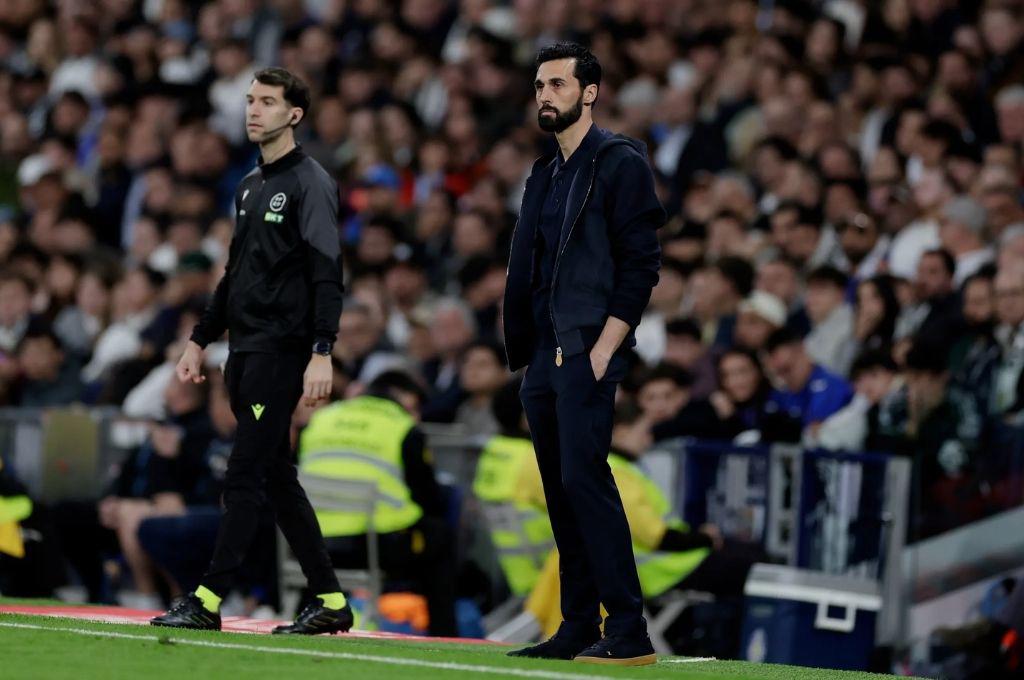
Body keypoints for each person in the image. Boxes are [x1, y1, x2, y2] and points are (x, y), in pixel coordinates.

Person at [151, 68, 350, 634]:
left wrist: (322, 349)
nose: (253, 111)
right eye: (249, 101)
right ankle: (331, 600)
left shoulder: (311, 182)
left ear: (294, 114)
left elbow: (327, 271)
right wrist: (198, 339)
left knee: (243, 475)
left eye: (267, 101)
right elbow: (233, 276)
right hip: (244, 351)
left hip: (281, 352)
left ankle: (208, 597)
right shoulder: (248, 185)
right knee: (278, 480)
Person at [502, 42, 663, 665]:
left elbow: (641, 265)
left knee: (585, 481)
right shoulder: (545, 173)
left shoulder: (618, 162)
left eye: (558, 84)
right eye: (540, 85)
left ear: (589, 92)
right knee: (560, 489)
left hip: (586, 347)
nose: (545, 95)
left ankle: (628, 629)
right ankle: (577, 623)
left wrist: (602, 350)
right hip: (544, 353)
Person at [298, 371, 457, 636]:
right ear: (401, 398)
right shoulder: (402, 427)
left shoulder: (321, 419)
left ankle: (299, 608)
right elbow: (428, 499)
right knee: (439, 536)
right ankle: (445, 635)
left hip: (309, 542)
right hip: (370, 547)